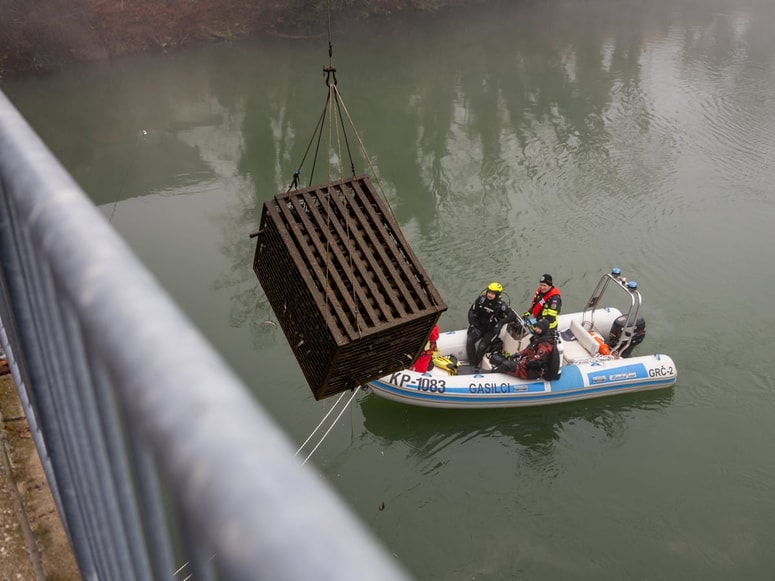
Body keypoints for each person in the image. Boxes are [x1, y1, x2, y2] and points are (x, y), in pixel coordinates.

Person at [466, 282, 517, 370]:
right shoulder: (481, 300)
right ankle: (472, 365)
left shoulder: (501, 305)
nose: (489, 295)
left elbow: (512, 315)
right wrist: (472, 324)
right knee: (470, 340)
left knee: (482, 346)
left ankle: (475, 365)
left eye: (492, 294)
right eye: (489, 292)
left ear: (497, 295)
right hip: (479, 326)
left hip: (492, 330)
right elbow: (471, 312)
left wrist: (501, 323)